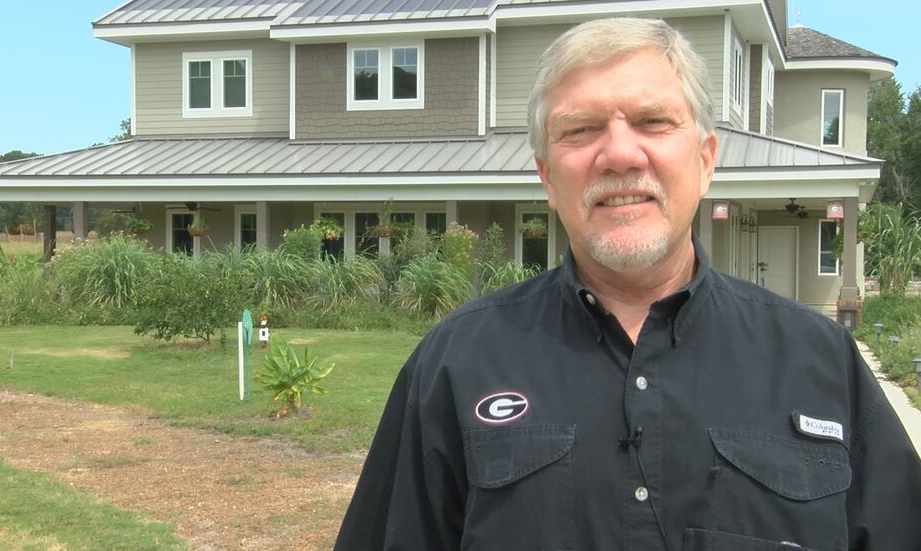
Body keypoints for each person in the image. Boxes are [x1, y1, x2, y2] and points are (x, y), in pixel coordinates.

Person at [334, 18, 921, 551]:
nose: (617, 153)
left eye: (652, 122)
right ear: (545, 175)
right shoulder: (452, 367)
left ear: (706, 158)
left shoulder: (824, 367)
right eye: (581, 130)